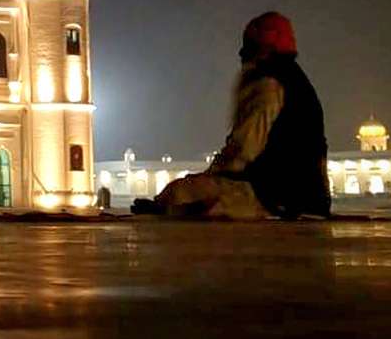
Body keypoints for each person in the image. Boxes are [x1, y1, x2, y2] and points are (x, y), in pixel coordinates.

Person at [133, 12, 331, 220]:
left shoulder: (268, 84)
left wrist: (213, 175)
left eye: (248, 45)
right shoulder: (296, 81)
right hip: (308, 197)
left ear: (261, 47)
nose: (242, 53)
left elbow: (243, 150)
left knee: (178, 193)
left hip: (275, 197)